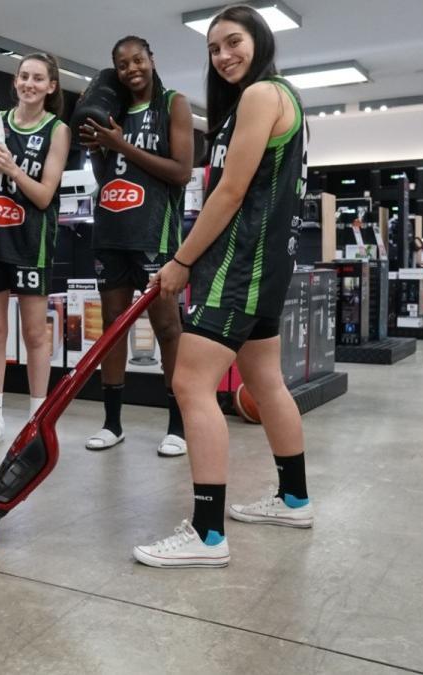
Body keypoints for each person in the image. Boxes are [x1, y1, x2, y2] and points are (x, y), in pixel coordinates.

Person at [133, 5, 310, 568]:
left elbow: (230, 193)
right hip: (265, 266)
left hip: (239, 267)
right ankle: (293, 499)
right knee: (265, 380)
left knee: (190, 384)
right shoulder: (276, 98)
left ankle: (208, 535)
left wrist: (182, 260)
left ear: (259, 40)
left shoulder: (262, 96)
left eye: (233, 42)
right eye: (213, 48)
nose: (224, 55)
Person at [79, 36, 194, 456]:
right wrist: (97, 148)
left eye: (138, 60)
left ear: (151, 59)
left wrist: (121, 144)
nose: (132, 70)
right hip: (111, 231)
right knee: (112, 328)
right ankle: (112, 423)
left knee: (166, 327)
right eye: (123, 64)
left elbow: (181, 171)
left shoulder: (173, 104)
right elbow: (107, 171)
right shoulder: (112, 108)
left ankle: (178, 426)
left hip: (154, 234)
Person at [0, 53, 70, 451]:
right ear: (15, 81)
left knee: (34, 335)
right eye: (24, 76)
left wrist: (12, 170)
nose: (29, 83)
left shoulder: (57, 130)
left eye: (38, 78)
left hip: (31, 243)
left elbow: (45, 196)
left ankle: (37, 422)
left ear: (51, 86)